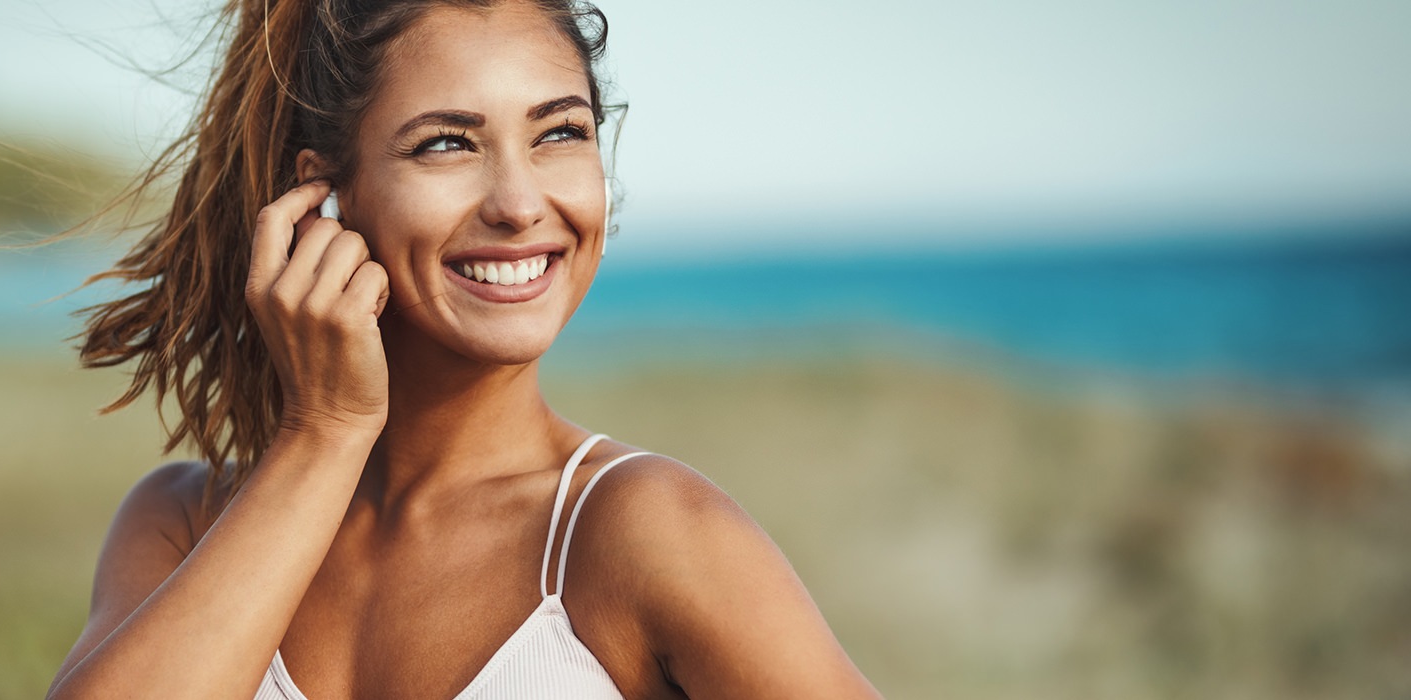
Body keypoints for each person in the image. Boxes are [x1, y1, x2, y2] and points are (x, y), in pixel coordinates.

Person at [46, 0, 882, 697]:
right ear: (323, 197)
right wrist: (326, 432)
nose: (519, 203)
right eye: (447, 143)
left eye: (560, 133)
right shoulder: (181, 523)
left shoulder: (645, 531)